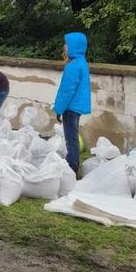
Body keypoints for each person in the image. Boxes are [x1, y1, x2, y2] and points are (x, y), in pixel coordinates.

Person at [53, 31, 91, 174]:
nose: (64, 47)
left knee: (71, 138)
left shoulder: (73, 66)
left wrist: (58, 109)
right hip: (77, 106)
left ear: (74, 46)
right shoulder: (82, 62)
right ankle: (73, 164)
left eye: (67, 44)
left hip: (70, 106)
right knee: (72, 136)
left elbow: (67, 90)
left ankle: (72, 167)